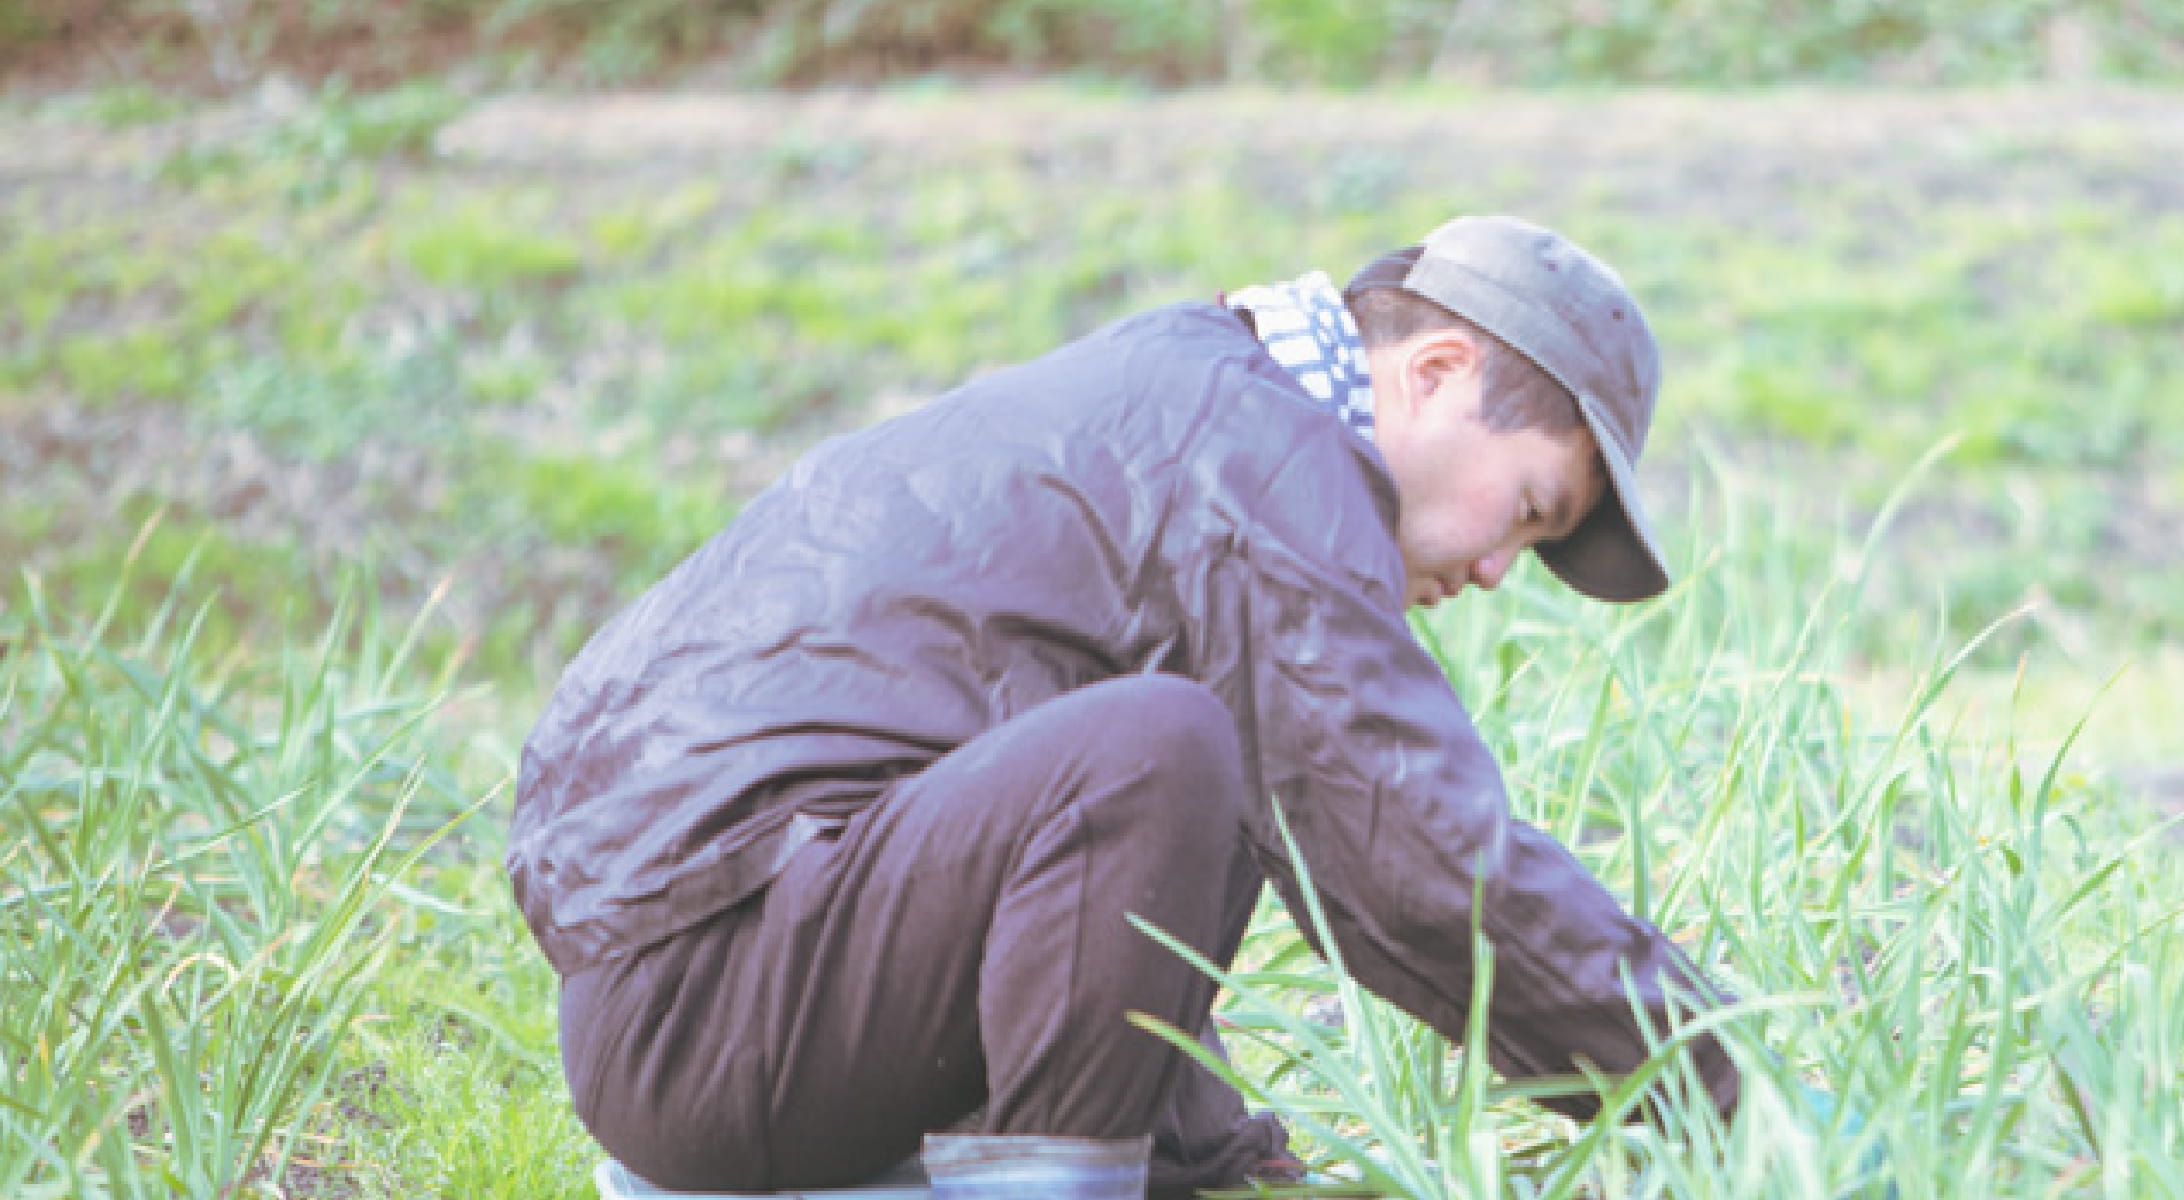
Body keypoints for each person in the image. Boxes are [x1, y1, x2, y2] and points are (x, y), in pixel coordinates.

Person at [509, 215, 1744, 1199]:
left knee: (1203, 756)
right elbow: (1416, 858)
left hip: (710, 992)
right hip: (716, 1011)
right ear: (1432, 372)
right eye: (1526, 512)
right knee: (1159, 747)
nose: (1492, 573)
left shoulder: (1200, 395)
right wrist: (1742, 1101)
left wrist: (1206, 1150)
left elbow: (1120, 879)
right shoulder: (1266, 464)